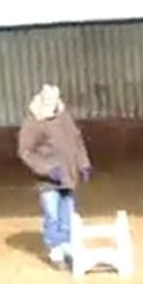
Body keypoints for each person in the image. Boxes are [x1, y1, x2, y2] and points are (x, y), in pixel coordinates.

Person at [17, 84, 92, 268]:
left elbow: (76, 140)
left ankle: (68, 247)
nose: (51, 104)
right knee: (52, 215)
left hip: (68, 175)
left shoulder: (64, 117)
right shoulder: (33, 122)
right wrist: (47, 169)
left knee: (67, 213)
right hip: (48, 181)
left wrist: (84, 164)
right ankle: (55, 251)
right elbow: (25, 152)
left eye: (54, 100)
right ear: (42, 100)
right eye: (48, 100)